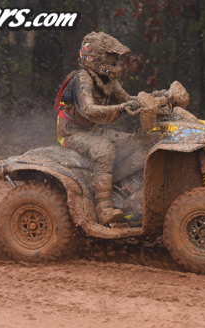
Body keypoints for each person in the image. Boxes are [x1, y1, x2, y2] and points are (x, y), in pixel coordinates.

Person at [55, 31, 137, 225]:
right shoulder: (82, 78)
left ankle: (126, 195)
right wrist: (120, 108)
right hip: (72, 133)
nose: (115, 63)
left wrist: (155, 98)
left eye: (116, 58)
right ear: (95, 58)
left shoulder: (108, 80)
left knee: (136, 142)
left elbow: (128, 100)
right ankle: (104, 207)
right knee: (104, 150)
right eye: (111, 58)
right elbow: (89, 110)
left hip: (95, 130)